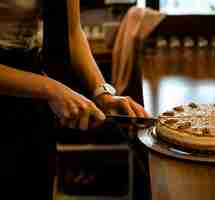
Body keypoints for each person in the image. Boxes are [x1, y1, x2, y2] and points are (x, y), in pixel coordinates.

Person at [0, 0, 148, 199]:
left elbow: (72, 32)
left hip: (33, 86)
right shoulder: (46, 88)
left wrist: (103, 92)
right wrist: (50, 88)